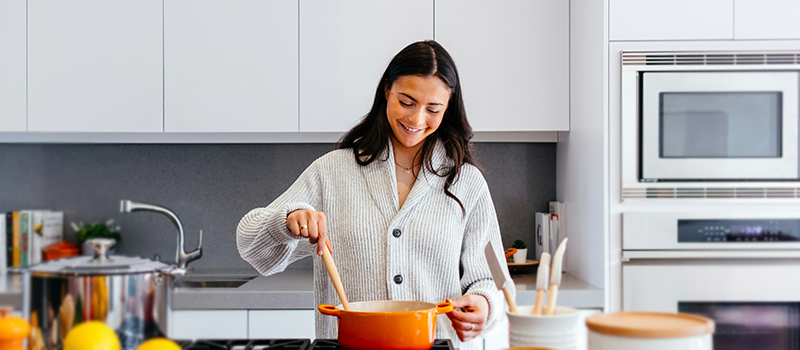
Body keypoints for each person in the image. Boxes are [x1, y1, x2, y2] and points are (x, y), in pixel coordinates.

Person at [236, 40, 514, 350]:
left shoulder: (466, 182)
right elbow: (250, 245)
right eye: (406, 102)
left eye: (433, 109)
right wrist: (287, 221)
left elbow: (495, 282)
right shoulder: (332, 172)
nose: (417, 119)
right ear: (386, 91)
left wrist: (484, 304)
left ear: (448, 107)